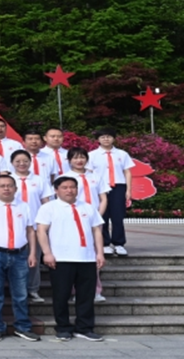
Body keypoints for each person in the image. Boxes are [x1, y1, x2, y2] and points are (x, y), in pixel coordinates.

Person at [36, 176, 106, 342]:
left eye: (72, 187)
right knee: (61, 295)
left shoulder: (88, 207)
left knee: (86, 295)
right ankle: (63, 327)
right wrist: (47, 253)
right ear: (56, 190)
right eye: (65, 187)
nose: (69, 190)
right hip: (61, 258)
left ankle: (84, 327)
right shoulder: (49, 207)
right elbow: (41, 231)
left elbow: (97, 231)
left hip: (86, 258)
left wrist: (100, 253)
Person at [0, 175, 40, 342]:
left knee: (21, 293)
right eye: (2, 186)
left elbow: (30, 231)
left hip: (20, 254)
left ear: (15, 188)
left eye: (9, 185)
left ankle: (23, 327)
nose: (6, 188)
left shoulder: (24, 206)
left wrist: (32, 253)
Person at [65, 147, 110, 302]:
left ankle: (95, 290)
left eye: (82, 157)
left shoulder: (95, 176)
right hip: (74, 221)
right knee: (75, 256)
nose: (79, 160)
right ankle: (76, 291)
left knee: (94, 255)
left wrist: (97, 216)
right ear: (69, 160)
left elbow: (103, 198)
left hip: (94, 220)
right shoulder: (65, 178)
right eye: (75, 157)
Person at [11, 150, 53, 303]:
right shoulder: (8, 180)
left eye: (25, 161)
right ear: (12, 163)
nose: (22, 164)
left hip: (35, 225)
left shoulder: (39, 180)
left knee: (33, 258)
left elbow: (46, 202)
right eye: (18, 161)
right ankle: (16, 289)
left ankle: (33, 289)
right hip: (13, 224)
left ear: (30, 162)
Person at [88, 127, 134, 257]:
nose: (106, 139)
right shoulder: (92, 155)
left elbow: (127, 172)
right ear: (98, 139)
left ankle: (119, 244)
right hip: (100, 187)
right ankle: (105, 244)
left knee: (118, 216)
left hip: (118, 186)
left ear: (114, 138)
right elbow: (89, 173)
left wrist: (128, 190)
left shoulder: (122, 154)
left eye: (108, 136)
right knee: (102, 216)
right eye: (102, 137)